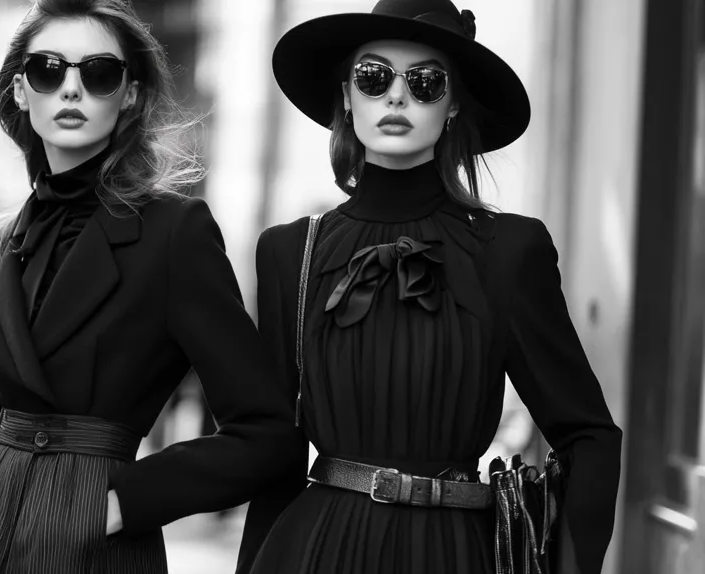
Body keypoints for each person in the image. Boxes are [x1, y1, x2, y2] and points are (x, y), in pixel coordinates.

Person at [0, 1, 295, 573]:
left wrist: (120, 505)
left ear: (129, 93)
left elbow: (267, 435)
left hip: (95, 547)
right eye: (48, 70)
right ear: (19, 91)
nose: (71, 90)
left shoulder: (174, 234)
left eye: (99, 72)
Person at [236, 1, 623, 574]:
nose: (396, 97)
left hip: (451, 551)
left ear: (453, 103)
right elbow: (276, 455)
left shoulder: (509, 251)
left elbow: (589, 434)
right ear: (346, 95)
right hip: (314, 551)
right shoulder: (290, 251)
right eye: (373, 78)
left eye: (424, 82)